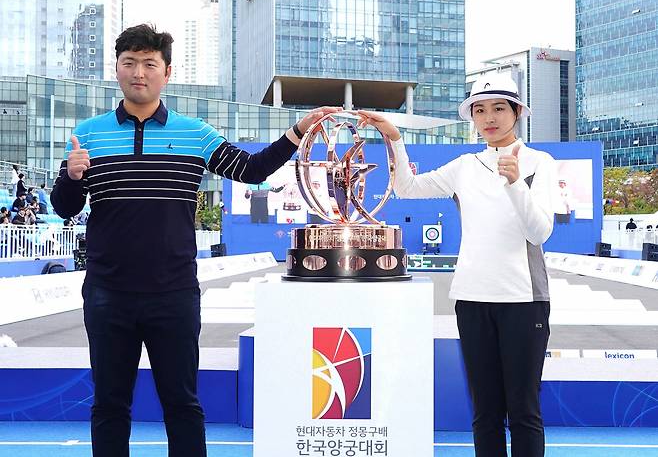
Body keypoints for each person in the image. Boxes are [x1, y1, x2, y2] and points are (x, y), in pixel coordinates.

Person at [50, 24, 339, 457]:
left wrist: (294, 134)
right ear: (116, 69)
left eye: (149, 64)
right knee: (110, 405)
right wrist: (72, 177)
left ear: (167, 72)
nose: (139, 73)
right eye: (129, 63)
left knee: (182, 405)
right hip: (108, 294)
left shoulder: (195, 133)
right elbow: (64, 208)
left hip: (174, 294)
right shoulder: (88, 134)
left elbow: (252, 170)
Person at [356, 74, 556, 457]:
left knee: (524, 411)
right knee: (485, 413)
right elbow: (406, 188)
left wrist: (515, 184)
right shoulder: (466, 165)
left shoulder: (538, 163)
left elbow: (539, 232)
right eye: (480, 110)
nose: (489, 117)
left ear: (516, 112)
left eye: (499, 108)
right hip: (471, 299)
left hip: (524, 301)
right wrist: (394, 139)